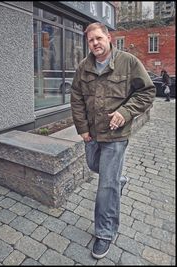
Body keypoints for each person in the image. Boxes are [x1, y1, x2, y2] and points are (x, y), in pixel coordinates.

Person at [70, 22, 156, 259]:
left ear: (109, 37)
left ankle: (105, 232)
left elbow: (147, 92)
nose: (95, 43)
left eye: (98, 38)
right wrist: (83, 129)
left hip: (116, 136)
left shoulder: (128, 62)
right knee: (94, 167)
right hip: (92, 135)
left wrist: (125, 112)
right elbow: (76, 99)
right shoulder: (83, 68)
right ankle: (119, 180)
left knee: (105, 186)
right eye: (90, 40)